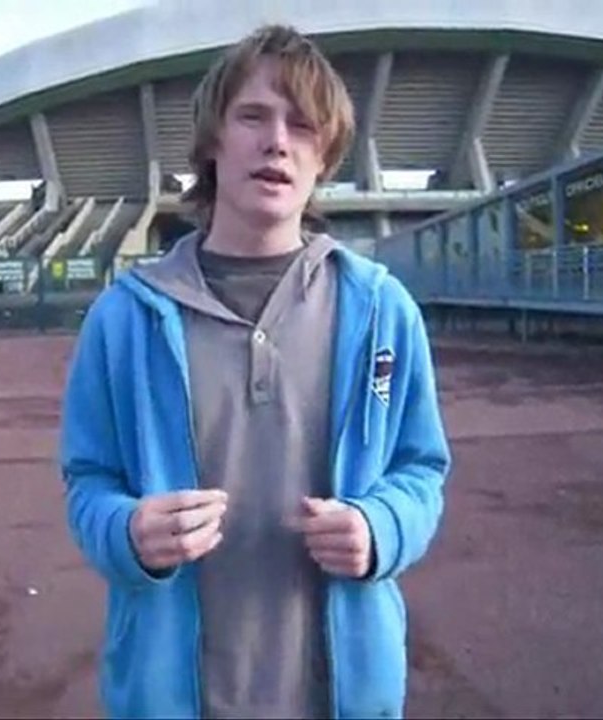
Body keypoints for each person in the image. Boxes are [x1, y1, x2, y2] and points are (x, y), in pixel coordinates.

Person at [60, 23, 451, 720]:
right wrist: (128, 533)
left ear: (325, 155)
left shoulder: (381, 310)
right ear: (213, 140)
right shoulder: (123, 319)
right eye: (254, 116)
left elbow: (421, 470)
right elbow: (88, 480)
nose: (278, 141)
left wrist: (381, 527)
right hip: (171, 699)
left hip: (345, 698)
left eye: (303, 126)